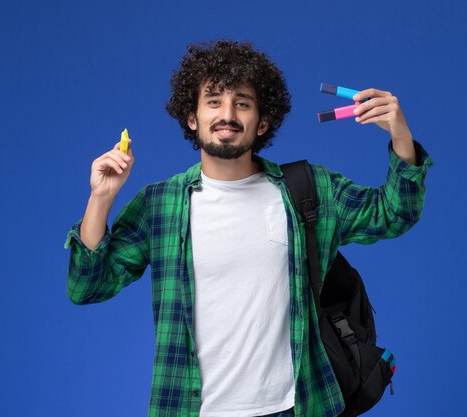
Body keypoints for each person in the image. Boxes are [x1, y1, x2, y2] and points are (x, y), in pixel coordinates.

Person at [65, 40, 433, 417]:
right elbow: (87, 287)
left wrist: (400, 136)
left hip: (299, 406)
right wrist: (101, 198)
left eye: (242, 103)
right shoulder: (159, 204)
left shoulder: (309, 190)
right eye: (213, 101)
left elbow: (393, 214)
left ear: (263, 121)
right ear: (192, 118)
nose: (227, 114)